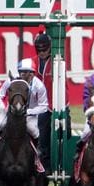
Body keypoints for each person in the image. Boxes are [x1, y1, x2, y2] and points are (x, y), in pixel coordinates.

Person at [0, 59, 49, 155]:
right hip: (9, 112)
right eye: (22, 71)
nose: (26, 75)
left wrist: (29, 112)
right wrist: (3, 107)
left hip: (29, 116)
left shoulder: (39, 86)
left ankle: (37, 156)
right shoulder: (11, 80)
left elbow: (44, 106)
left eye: (29, 72)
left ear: (33, 73)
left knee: (34, 131)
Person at [33, 31, 55, 168]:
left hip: (53, 105)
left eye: (44, 49)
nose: (41, 52)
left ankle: (46, 163)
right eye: (38, 50)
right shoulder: (32, 63)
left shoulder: (57, 62)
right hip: (36, 105)